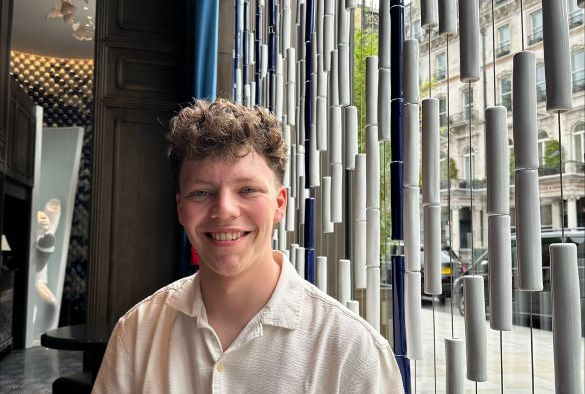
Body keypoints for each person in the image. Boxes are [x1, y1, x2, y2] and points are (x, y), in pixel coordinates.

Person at [92, 99, 404, 393]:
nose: (224, 209)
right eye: (201, 192)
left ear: (279, 204)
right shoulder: (137, 332)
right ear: (181, 209)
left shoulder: (352, 351)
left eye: (248, 189)